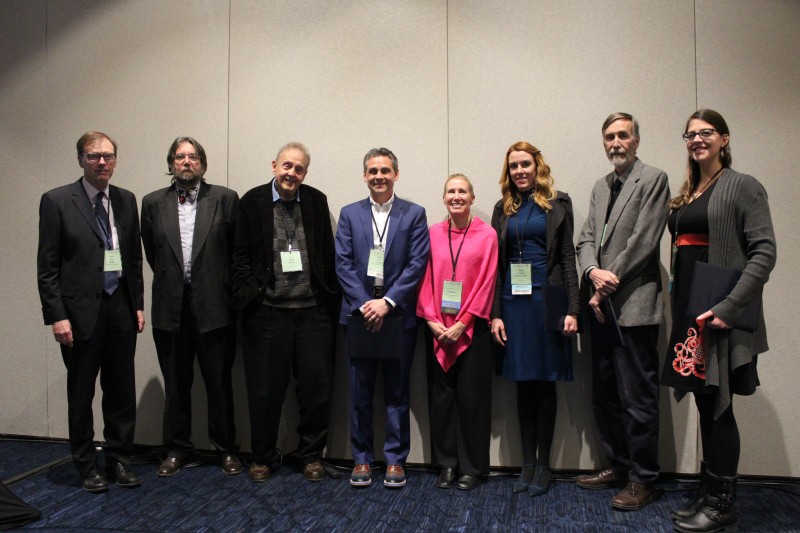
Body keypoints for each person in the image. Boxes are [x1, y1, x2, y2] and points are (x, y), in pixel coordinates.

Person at [664, 110, 776, 533]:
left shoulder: (743, 186)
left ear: (724, 139)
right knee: (703, 400)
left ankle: (720, 504)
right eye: (690, 134)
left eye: (705, 133)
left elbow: (764, 253)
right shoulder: (690, 191)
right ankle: (710, 494)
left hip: (718, 315)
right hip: (690, 314)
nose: (697, 140)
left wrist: (728, 308)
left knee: (718, 406)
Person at [37, 131, 145, 492]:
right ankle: (86, 465)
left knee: (120, 392)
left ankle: (119, 460)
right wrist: (56, 315)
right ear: (80, 159)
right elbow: (47, 265)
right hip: (79, 314)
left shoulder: (126, 200)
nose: (102, 162)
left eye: (109, 156)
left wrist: (138, 305)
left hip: (120, 309)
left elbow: (132, 258)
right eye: (94, 156)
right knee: (82, 394)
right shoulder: (56, 201)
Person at [575, 113, 670, 510]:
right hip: (600, 310)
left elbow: (644, 239)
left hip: (633, 308)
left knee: (638, 398)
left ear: (636, 140)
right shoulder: (600, 187)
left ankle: (643, 478)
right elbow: (586, 240)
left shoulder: (654, 179)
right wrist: (594, 273)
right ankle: (617, 465)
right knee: (606, 395)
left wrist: (609, 280)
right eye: (610, 136)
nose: (616, 142)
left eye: (623, 135)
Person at [232, 142, 339, 483]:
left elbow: (326, 253)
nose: (292, 173)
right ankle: (262, 456)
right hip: (267, 313)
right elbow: (240, 257)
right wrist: (250, 294)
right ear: (274, 165)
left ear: (305, 173)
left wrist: (327, 297)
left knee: (315, 390)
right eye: (287, 166)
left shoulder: (316, 200)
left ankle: (310, 456)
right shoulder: (252, 202)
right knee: (265, 391)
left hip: (312, 313)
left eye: (299, 168)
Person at [141, 137, 242, 477]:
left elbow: (234, 254)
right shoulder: (153, 203)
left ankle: (226, 449)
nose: (186, 162)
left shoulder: (225, 199)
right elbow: (153, 254)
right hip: (171, 308)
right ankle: (176, 448)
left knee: (219, 383)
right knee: (176, 384)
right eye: (180, 157)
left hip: (215, 307)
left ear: (203, 163)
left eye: (193, 156)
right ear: (171, 163)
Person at [335, 147, 429, 489]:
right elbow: (342, 263)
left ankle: (394, 460)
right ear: (364, 175)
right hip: (359, 316)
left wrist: (387, 302)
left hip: (398, 316)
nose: (379, 176)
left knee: (397, 392)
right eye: (373, 170)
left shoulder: (414, 214)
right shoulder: (349, 214)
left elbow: (417, 263)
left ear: (396, 174)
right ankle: (361, 459)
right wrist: (364, 304)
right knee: (359, 393)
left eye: (385, 170)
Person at [490, 142, 579, 497]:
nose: (520, 171)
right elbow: (497, 266)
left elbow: (569, 258)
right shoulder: (503, 208)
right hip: (514, 302)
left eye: (525, 164)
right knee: (523, 383)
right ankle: (527, 461)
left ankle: (545, 464)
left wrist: (574, 309)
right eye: (513, 166)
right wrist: (496, 313)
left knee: (546, 381)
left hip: (549, 300)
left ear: (537, 166)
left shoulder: (559, 204)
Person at [417, 174, 498, 491]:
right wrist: (432, 320)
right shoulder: (432, 234)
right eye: (451, 191)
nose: (456, 196)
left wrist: (463, 323)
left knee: (472, 400)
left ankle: (472, 467)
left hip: (472, 329)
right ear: (443, 198)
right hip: (437, 328)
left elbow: (488, 281)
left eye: (462, 191)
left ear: (472, 197)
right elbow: (423, 278)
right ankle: (446, 464)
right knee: (441, 400)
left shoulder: (487, 234)